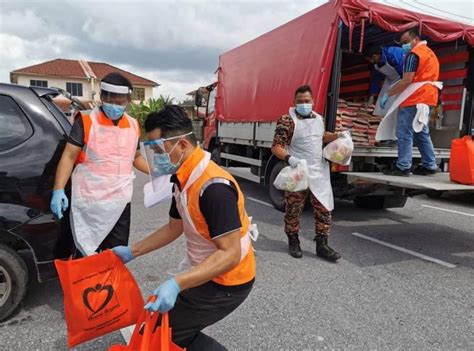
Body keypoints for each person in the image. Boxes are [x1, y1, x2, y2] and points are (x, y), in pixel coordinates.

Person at [112, 105, 257, 351]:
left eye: (159, 148)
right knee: (162, 327)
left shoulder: (213, 188)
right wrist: (132, 251)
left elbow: (230, 253)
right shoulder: (183, 178)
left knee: (165, 332)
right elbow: (173, 227)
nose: (156, 156)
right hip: (207, 270)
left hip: (228, 280)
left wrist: (177, 283)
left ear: (181, 144)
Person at [50, 72, 149, 256]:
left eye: (120, 102)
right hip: (89, 201)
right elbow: (69, 156)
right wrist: (58, 189)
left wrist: (155, 171)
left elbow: (135, 157)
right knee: (85, 252)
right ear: (103, 97)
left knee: (115, 255)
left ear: (128, 99)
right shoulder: (87, 121)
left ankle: (108, 285)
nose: (115, 105)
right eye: (111, 100)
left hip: (120, 202)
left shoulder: (134, 125)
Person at [271, 85, 345, 261]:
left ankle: (322, 244)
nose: (303, 104)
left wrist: (337, 136)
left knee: (324, 208)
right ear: (294, 103)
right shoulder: (287, 120)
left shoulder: (319, 118)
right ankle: (293, 241)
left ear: (313, 101)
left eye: (306, 101)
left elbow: (320, 136)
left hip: (319, 171)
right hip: (298, 171)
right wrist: (290, 159)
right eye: (299, 102)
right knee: (293, 209)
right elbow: (276, 147)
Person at [381, 29, 440, 176]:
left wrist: (388, 94)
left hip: (415, 97)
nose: (404, 46)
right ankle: (430, 164)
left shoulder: (414, 55)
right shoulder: (430, 53)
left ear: (416, 39)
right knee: (421, 132)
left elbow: (407, 80)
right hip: (429, 97)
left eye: (406, 42)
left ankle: (403, 166)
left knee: (404, 131)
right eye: (402, 43)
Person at [363, 45, 405, 116]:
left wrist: (401, 87)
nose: (370, 61)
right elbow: (375, 78)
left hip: (402, 78)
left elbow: (404, 72)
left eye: (369, 59)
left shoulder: (392, 54)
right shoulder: (376, 63)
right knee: (380, 107)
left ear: (374, 56)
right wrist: (372, 95)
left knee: (395, 105)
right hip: (390, 80)